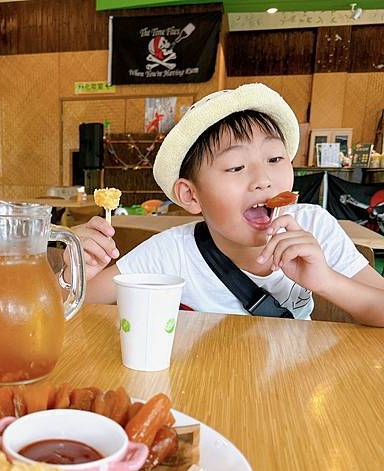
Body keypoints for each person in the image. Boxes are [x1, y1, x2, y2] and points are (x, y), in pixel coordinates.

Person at [70, 83, 384, 327]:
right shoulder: (171, 253)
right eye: (236, 167)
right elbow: (73, 307)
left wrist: (326, 280)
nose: (263, 179)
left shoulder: (315, 227)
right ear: (191, 196)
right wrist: (75, 273)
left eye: (275, 159)